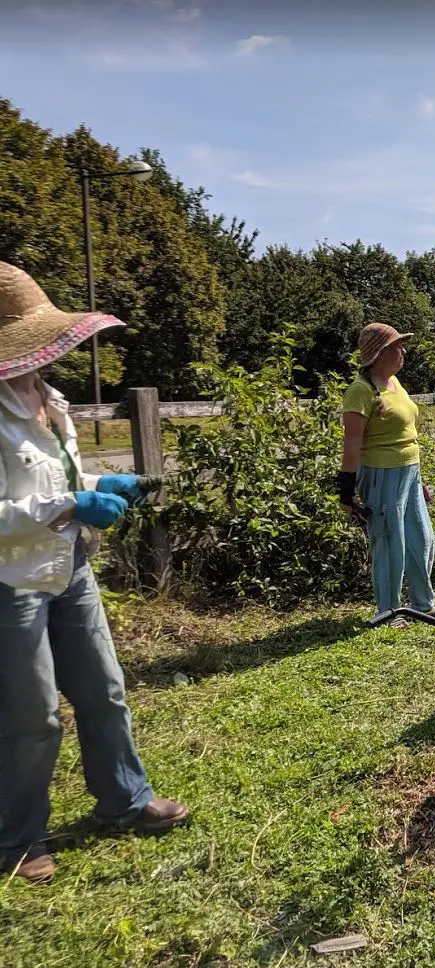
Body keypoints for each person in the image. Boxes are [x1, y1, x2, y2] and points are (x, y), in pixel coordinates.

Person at [0, 261, 189, 884]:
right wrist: (67, 506)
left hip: (69, 566)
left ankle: (124, 801)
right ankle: (18, 840)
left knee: (104, 689)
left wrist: (97, 484)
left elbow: (56, 479)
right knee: (32, 716)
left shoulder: (48, 400)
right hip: (14, 582)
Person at [336, 323, 435, 627]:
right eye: (397, 347)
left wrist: (418, 481)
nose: (403, 352)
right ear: (380, 353)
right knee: (389, 544)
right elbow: (352, 443)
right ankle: (388, 613)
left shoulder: (394, 384)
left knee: (422, 538)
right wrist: (346, 490)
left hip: (409, 473)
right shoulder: (361, 391)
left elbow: (405, 430)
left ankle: (423, 604)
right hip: (381, 476)